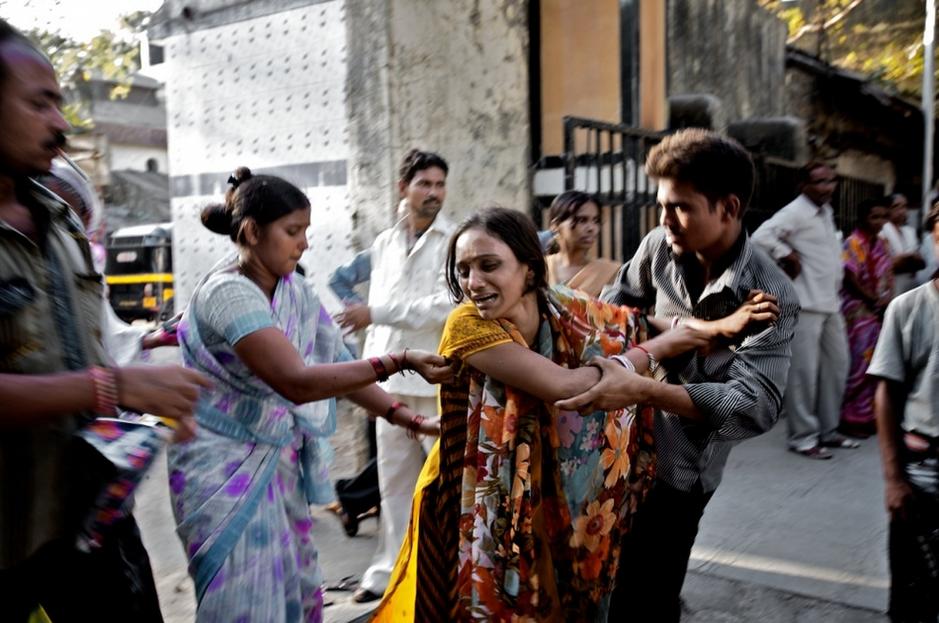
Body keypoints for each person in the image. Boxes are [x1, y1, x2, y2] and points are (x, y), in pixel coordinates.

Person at [374, 207, 775, 621]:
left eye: (488, 265)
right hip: (472, 492)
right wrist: (660, 350)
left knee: (553, 596)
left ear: (530, 269)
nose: (473, 283)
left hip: (551, 491)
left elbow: (634, 324)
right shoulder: (467, 325)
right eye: (463, 270)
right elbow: (568, 388)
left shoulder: (559, 304)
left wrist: (718, 327)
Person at [167, 167, 453, 622]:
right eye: (292, 231)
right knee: (244, 599)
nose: (304, 244)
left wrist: (412, 420)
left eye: (306, 231)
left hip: (276, 465)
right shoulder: (227, 293)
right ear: (251, 232)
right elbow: (297, 381)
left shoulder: (294, 291)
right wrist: (397, 359)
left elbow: (339, 367)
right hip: (222, 469)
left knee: (292, 592)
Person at [0, 19, 210, 621]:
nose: (61, 124)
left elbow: (83, 348)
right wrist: (112, 385)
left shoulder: (60, 219)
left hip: (91, 521)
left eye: (60, 103)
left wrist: (135, 410)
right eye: (38, 103)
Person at [560, 128, 798, 621]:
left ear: (728, 209)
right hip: (615, 454)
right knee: (594, 588)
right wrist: (692, 331)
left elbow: (753, 407)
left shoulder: (771, 294)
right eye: (662, 205)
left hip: (678, 475)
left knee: (648, 599)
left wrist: (643, 385)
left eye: (680, 207)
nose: (664, 220)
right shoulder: (659, 249)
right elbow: (610, 314)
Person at [330, 149, 455, 602]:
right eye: (425, 183)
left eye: (440, 185)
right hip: (388, 383)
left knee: (444, 484)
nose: (434, 193)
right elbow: (376, 319)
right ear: (403, 187)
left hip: (433, 379)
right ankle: (387, 574)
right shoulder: (384, 242)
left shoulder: (453, 240)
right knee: (394, 484)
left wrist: (375, 311)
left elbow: (446, 304)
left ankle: (444, 574)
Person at [867, 201, 939, 623]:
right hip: (923, 469)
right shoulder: (908, 309)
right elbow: (887, 395)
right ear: (933, 235)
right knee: (914, 596)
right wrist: (894, 479)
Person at [752, 161, 852, 459]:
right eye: (820, 182)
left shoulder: (825, 210)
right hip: (805, 304)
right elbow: (760, 237)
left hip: (830, 303)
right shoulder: (796, 211)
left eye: (831, 181)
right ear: (804, 185)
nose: (827, 187)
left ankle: (829, 430)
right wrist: (787, 254)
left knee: (837, 367)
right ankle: (803, 437)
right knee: (805, 374)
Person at [838, 197, 894, 439]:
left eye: (883, 216)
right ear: (862, 218)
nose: (880, 222)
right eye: (875, 216)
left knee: (876, 363)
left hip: (877, 310)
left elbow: (888, 274)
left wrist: (885, 300)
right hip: (857, 311)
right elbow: (849, 278)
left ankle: (868, 415)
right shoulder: (853, 242)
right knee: (859, 362)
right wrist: (872, 299)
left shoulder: (882, 243)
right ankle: (849, 417)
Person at [544, 190, 620, 297]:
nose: (592, 228)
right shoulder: (540, 268)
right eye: (582, 220)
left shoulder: (610, 273)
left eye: (596, 221)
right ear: (555, 225)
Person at [881, 193, 925, 296]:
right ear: (887, 209)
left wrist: (904, 259)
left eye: (904, 206)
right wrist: (911, 258)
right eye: (896, 206)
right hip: (892, 289)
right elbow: (888, 264)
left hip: (911, 288)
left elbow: (922, 262)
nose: (901, 210)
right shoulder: (882, 230)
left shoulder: (909, 232)